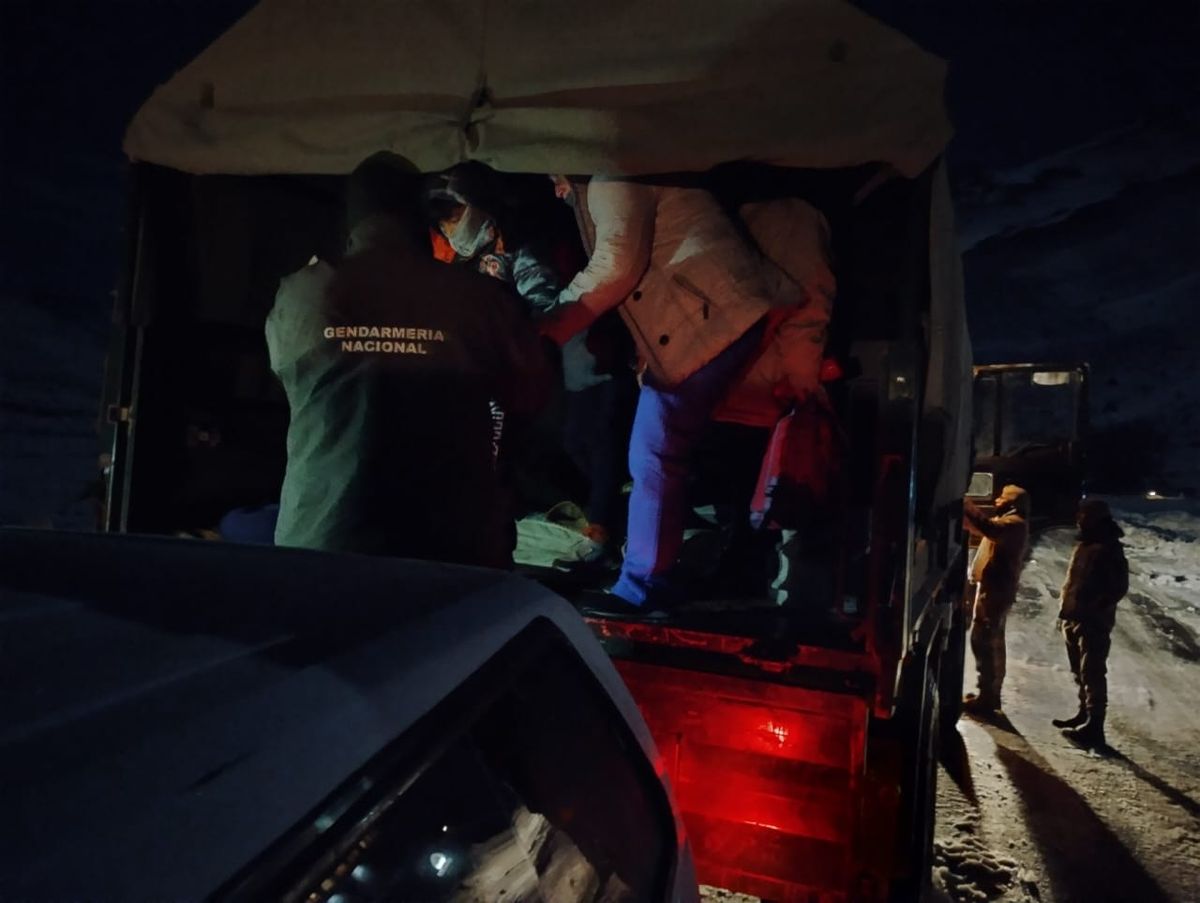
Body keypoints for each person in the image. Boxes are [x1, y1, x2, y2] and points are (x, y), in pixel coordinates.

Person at [266, 153, 550, 567]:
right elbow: (530, 391)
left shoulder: (302, 293)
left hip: (323, 536)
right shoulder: (475, 296)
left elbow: (289, 379)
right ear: (418, 215)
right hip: (453, 543)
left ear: (353, 219)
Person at [541, 176, 774, 611]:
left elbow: (616, 266)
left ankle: (642, 585)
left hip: (713, 317)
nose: (557, 190)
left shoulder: (612, 177)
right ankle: (660, 575)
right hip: (717, 315)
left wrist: (546, 329)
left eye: (555, 177)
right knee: (665, 450)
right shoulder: (622, 172)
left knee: (655, 448)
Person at [424, 165, 631, 555]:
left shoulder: (518, 245)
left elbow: (542, 301)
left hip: (546, 366)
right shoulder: (453, 253)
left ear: (476, 207)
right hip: (475, 373)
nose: (449, 227)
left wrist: (508, 330)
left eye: (453, 216)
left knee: (575, 442)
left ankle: (597, 525)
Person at [703, 197, 837, 601]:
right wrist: (801, 380)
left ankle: (744, 574)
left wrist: (798, 380)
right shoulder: (790, 218)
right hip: (756, 386)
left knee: (749, 494)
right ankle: (746, 574)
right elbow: (810, 308)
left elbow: (805, 308)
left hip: (748, 384)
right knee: (750, 496)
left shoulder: (771, 216)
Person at [1053, 498, 1129, 750]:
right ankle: (1083, 714)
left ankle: (1095, 726)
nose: (1079, 519)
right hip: (1075, 617)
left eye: (1084, 515)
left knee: (1092, 672)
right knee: (1079, 670)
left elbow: (1118, 586)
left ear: (1096, 518)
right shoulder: (1086, 544)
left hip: (1092, 622)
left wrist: (1095, 608)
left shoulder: (1108, 548)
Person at [962, 484, 1031, 715]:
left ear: (1013, 501)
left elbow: (988, 528)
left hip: (996, 590)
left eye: (1002, 497)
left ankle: (988, 697)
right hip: (995, 588)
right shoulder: (1010, 522)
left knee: (984, 641)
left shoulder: (1013, 524)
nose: (996, 500)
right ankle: (989, 695)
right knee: (989, 641)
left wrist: (967, 506)